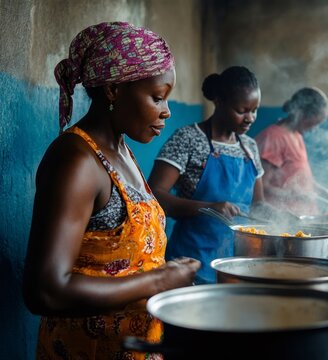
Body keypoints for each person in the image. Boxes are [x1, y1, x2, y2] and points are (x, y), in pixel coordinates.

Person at [22, 22, 201, 360]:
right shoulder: (76, 161)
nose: (167, 111)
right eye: (157, 97)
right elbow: (45, 291)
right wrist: (160, 282)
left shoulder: (121, 152)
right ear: (114, 91)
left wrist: (167, 278)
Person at [148, 66, 265, 284]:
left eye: (254, 110)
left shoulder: (249, 147)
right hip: (194, 262)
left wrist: (286, 219)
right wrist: (208, 207)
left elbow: (259, 204)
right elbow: (154, 196)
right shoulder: (188, 138)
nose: (250, 118)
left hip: (240, 264)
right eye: (242, 111)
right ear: (219, 101)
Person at [255, 87, 328, 215]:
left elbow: (304, 179)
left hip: (303, 215)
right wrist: (297, 196)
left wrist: (325, 193)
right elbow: (262, 187)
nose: (314, 128)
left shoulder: (297, 135)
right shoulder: (274, 138)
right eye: (314, 123)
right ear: (302, 114)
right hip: (283, 218)